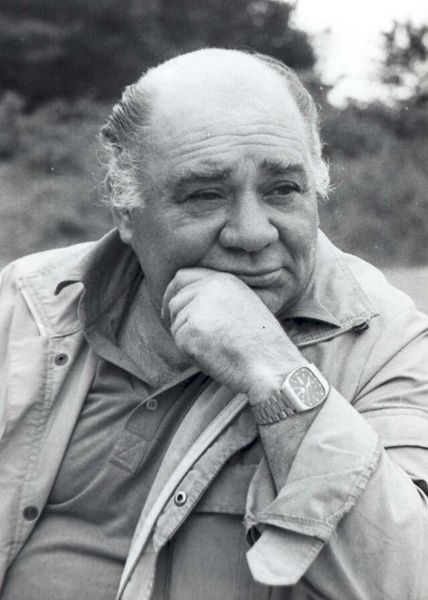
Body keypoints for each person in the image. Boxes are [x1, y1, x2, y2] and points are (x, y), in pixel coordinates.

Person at [0, 48, 427, 600]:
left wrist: (276, 373)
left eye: (282, 189)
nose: (252, 234)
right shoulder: (25, 304)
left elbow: (411, 581)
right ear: (127, 213)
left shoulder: (387, 343)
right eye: (205, 195)